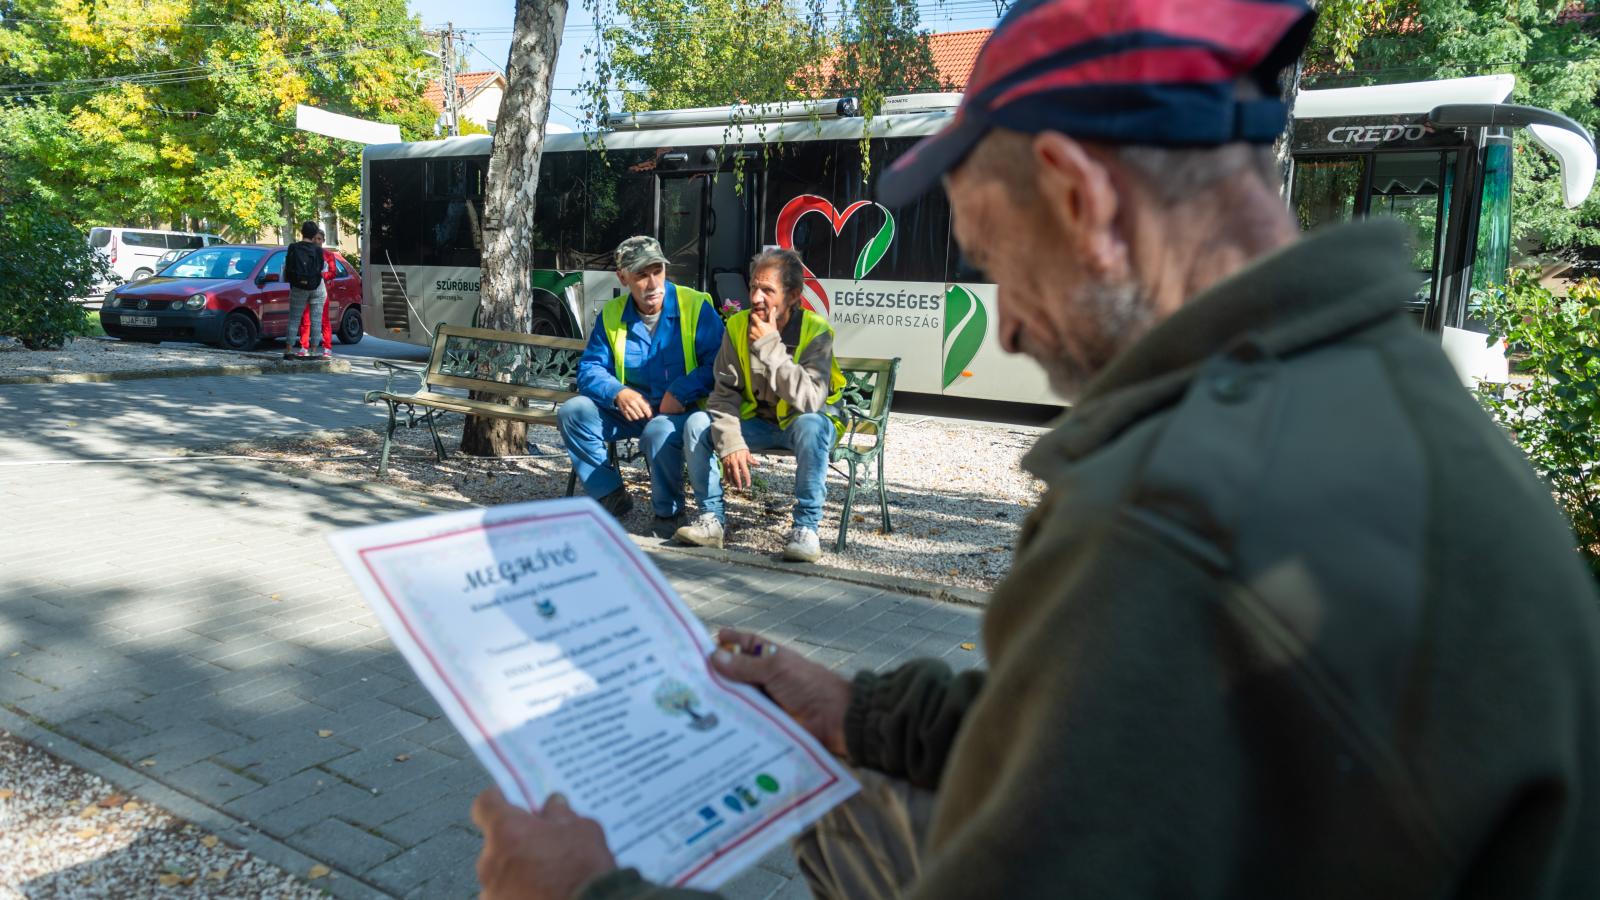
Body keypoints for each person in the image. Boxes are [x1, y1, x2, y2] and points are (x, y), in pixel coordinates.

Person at [472, 1, 1600, 897]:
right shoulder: (1373, 391)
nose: (1004, 325)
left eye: (999, 264)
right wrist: (857, 709)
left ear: (1076, 192)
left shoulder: (1177, 515)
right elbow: (1102, 748)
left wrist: (582, 892)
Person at [672, 248, 846, 563]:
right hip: (758, 424)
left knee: (811, 425)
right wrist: (731, 441)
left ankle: (806, 530)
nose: (756, 297)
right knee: (697, 424)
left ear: (793, 296)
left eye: (767, 290)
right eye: (753, 286)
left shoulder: (816, 331)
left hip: (804, 424)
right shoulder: (737, 326)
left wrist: (769, 347)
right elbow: (724, 394)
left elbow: (809, 399)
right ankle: (711, 521)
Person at [559, 236, 725, 535]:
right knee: (573, 411)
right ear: (622, 278)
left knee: (657, 431)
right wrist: (617, 392)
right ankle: (610, 495)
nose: (653, 283)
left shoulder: (695, 306)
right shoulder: (612, 313)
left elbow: (720, 365)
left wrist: (681, 391)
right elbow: (590, 369)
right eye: (641, 275)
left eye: (657, 271)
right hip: (629, 411)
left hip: (679, 413)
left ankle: (669, 514)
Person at [282, 221, 327, 361]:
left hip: (298, 287)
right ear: (314, 235)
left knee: (294, 318)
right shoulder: (318, 250)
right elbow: (321, 268)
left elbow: (288, 266)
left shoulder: (293, 247)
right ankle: (313, 351)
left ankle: (289, 350)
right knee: (316, 319)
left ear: (302, 232)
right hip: (316, 286)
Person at [295, 227, 338, 359]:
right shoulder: (305, 253)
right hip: (306, 290)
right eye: (315, 238)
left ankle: (327, 348)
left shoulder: (328, 255)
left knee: (323, 320)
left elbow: (333, 273)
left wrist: (321, 275)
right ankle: (304, 347)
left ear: (323, 241)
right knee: (306, 320)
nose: (317, 241)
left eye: (319, 239)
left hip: (321, 291)